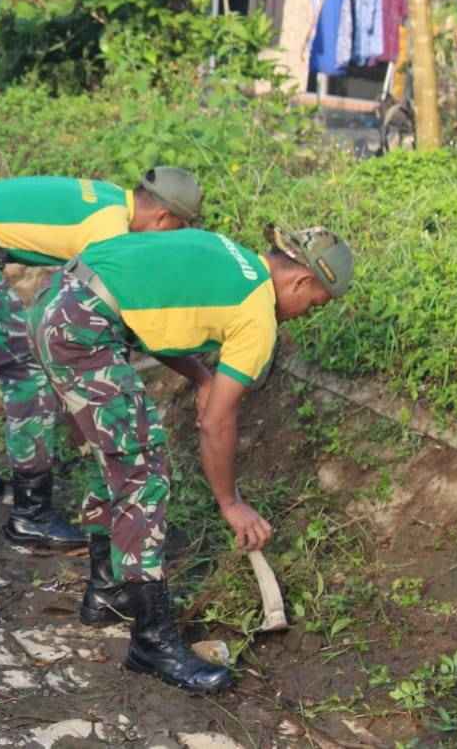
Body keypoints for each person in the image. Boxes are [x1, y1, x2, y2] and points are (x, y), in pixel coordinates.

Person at [30, 224, 353, 693]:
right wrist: (230, 503)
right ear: (302, 281)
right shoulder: (257, 315)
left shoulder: (230, 255)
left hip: (60, 299)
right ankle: (152, 642)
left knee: (118, 453)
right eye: (315, 304)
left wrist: (201, 376)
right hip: (83, 330)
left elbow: (151, 320)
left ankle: (108, 591)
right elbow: (217, 422)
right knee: (143, 473)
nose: (306, 315)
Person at [0, 171, 202, 549]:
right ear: (163, 217)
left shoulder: (113, 201)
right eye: (177, 229)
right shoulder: (109, 231)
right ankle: (30, 516)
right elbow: (101, 313)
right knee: (30, 376)